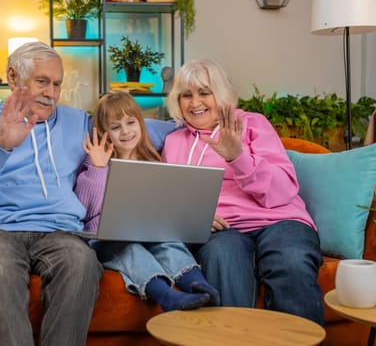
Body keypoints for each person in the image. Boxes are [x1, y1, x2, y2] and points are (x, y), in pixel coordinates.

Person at [0, 42, 104, 346]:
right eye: (42, 81)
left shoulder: (77, 122)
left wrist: (196, 128)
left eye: (57, 84)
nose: (51, 93)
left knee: (81, 262)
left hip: (60, 231)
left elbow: (136, 127)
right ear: (14, 77)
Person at [161, 59, 324, 325]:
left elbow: (283, 191)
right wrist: (194, 217)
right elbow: (171, 197)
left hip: (280, 220)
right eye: (186, 95)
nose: (194, 102)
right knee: (221, 258)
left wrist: (237, 156)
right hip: (223, 230)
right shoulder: (174, 142)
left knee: (291, 261)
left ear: (221, 94)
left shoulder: (252, 124)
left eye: (205, 92)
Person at [75, 91, 220, 312]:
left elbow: (166, 204)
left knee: (168, 243)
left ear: (140, 124)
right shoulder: (94, 162)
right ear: (104, 134)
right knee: (131, 249)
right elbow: (85, 208)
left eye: (130, 122)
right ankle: (166, 296)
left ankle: (199, 285)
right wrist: (97, 168)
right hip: (105, 238)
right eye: (115, 127)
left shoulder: (151, 159)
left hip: (147, 230)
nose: (125, 132)